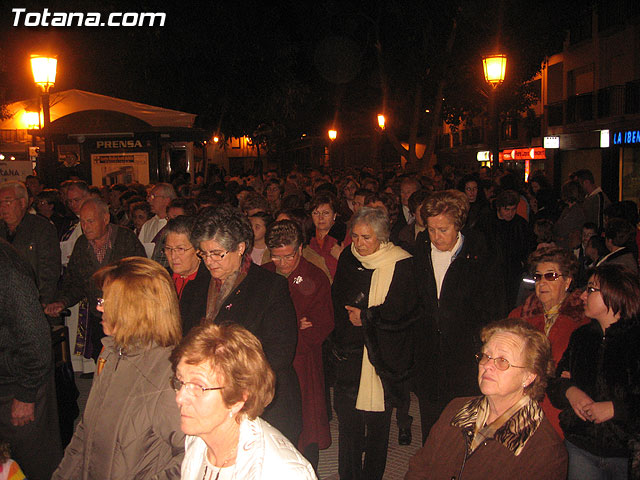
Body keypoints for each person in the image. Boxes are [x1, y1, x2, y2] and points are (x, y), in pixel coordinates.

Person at [52, 257, 185, 479]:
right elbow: (86, 432)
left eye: (106, 301)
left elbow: (190, 456)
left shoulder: (170, 375)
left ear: (135, 309)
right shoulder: (111, 354)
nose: (98, 307)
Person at [191, 205, 302, 443]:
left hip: (258, 399)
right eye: (203, 253)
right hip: (209, 397)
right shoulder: (197, 287)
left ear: (240, 247)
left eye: (217, 253)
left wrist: (233, 382)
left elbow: (280, 351)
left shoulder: (269, 286)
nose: (209, 262)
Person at [406, 318, 568, 480]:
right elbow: (420, 467)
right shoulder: (457, 408)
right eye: (486, 356)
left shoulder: (545, 451)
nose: (487, 365)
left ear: (529, 376)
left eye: (502, 361)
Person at [331, 206, 419, 480]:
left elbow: (406, 310)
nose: (359, 243)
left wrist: (368, 317)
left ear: (381, 237)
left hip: (382, 358)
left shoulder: (401, 262)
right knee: (349, 428)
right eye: (355, 236)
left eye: (366, 237)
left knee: (378, 428)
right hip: (350, 354)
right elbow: (337, 296)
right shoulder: (348, 256)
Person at [414, 189, 506, 443]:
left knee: (465, 431)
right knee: (432, 432)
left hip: (466, 357)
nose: (435, 237)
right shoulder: (421, 251)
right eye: (431, 229)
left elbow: (493, 307)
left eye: (443, 230)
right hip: (430, 357)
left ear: (459, 226)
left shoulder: (480, 254)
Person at [173, 323, 317, 479]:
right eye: (180, 382)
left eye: (198, 387)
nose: (180, 397)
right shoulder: (198, 439)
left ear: (238, 399)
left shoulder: (283, 473)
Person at [548, 265, 640, 479]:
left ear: (614, 294)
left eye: (591, 289)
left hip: (625, 452)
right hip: (580, 445)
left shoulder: (634, 341)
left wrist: (615, 409)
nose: (581, 296)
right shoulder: (581, 337)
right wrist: (570, 391)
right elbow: (556, 381)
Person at [263, 220, 334, 470]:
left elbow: (322, 324)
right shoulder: (264, 273)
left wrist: (289, 331)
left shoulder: (314, 277)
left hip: (302, 361)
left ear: (300, 250)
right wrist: (293, 323)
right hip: (267, 360)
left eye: (288, 257)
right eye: (276, 257)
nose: (281, 263)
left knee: (306, 427)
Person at [44, 198, 147, 361]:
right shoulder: (82, 245)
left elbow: (143, 277)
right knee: (103, 362)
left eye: (90, 221)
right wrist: (62, 301)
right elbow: (75, 282)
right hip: (99, 318)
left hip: (127, 318)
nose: (85, 227)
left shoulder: (125, 239)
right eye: (82, 222)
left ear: (105, 219)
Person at [509, 247, 589, 436]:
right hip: (521, 405)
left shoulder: (583, 321)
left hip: (559, 411)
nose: (542, 282)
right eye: (538, 277)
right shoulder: (519, 316)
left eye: (550, 276)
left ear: (567, 281)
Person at [0, 239, 62, 480]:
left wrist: (26, 394)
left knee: (34, 464)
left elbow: (35, 339)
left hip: (19, 386)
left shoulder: (6, 271)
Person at [0, 181, 61, 305]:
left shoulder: (41, 228)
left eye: (7, 202)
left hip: (32, 302)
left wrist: (40, 303)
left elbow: (49, 272)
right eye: (0, 203)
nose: (2, 207)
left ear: (23, 202)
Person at [164, 215, 210, 336]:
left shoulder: (211, 282)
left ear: (197, 249)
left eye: (180, 249)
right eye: (168, 249)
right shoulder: (160, 278)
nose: (173, 256)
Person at [309, 192, 346, 278]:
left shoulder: (345, 237)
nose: (320, 218)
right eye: (316, 213)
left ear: (334, 215)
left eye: (326, 213)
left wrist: (342, 258)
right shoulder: (307, 238)